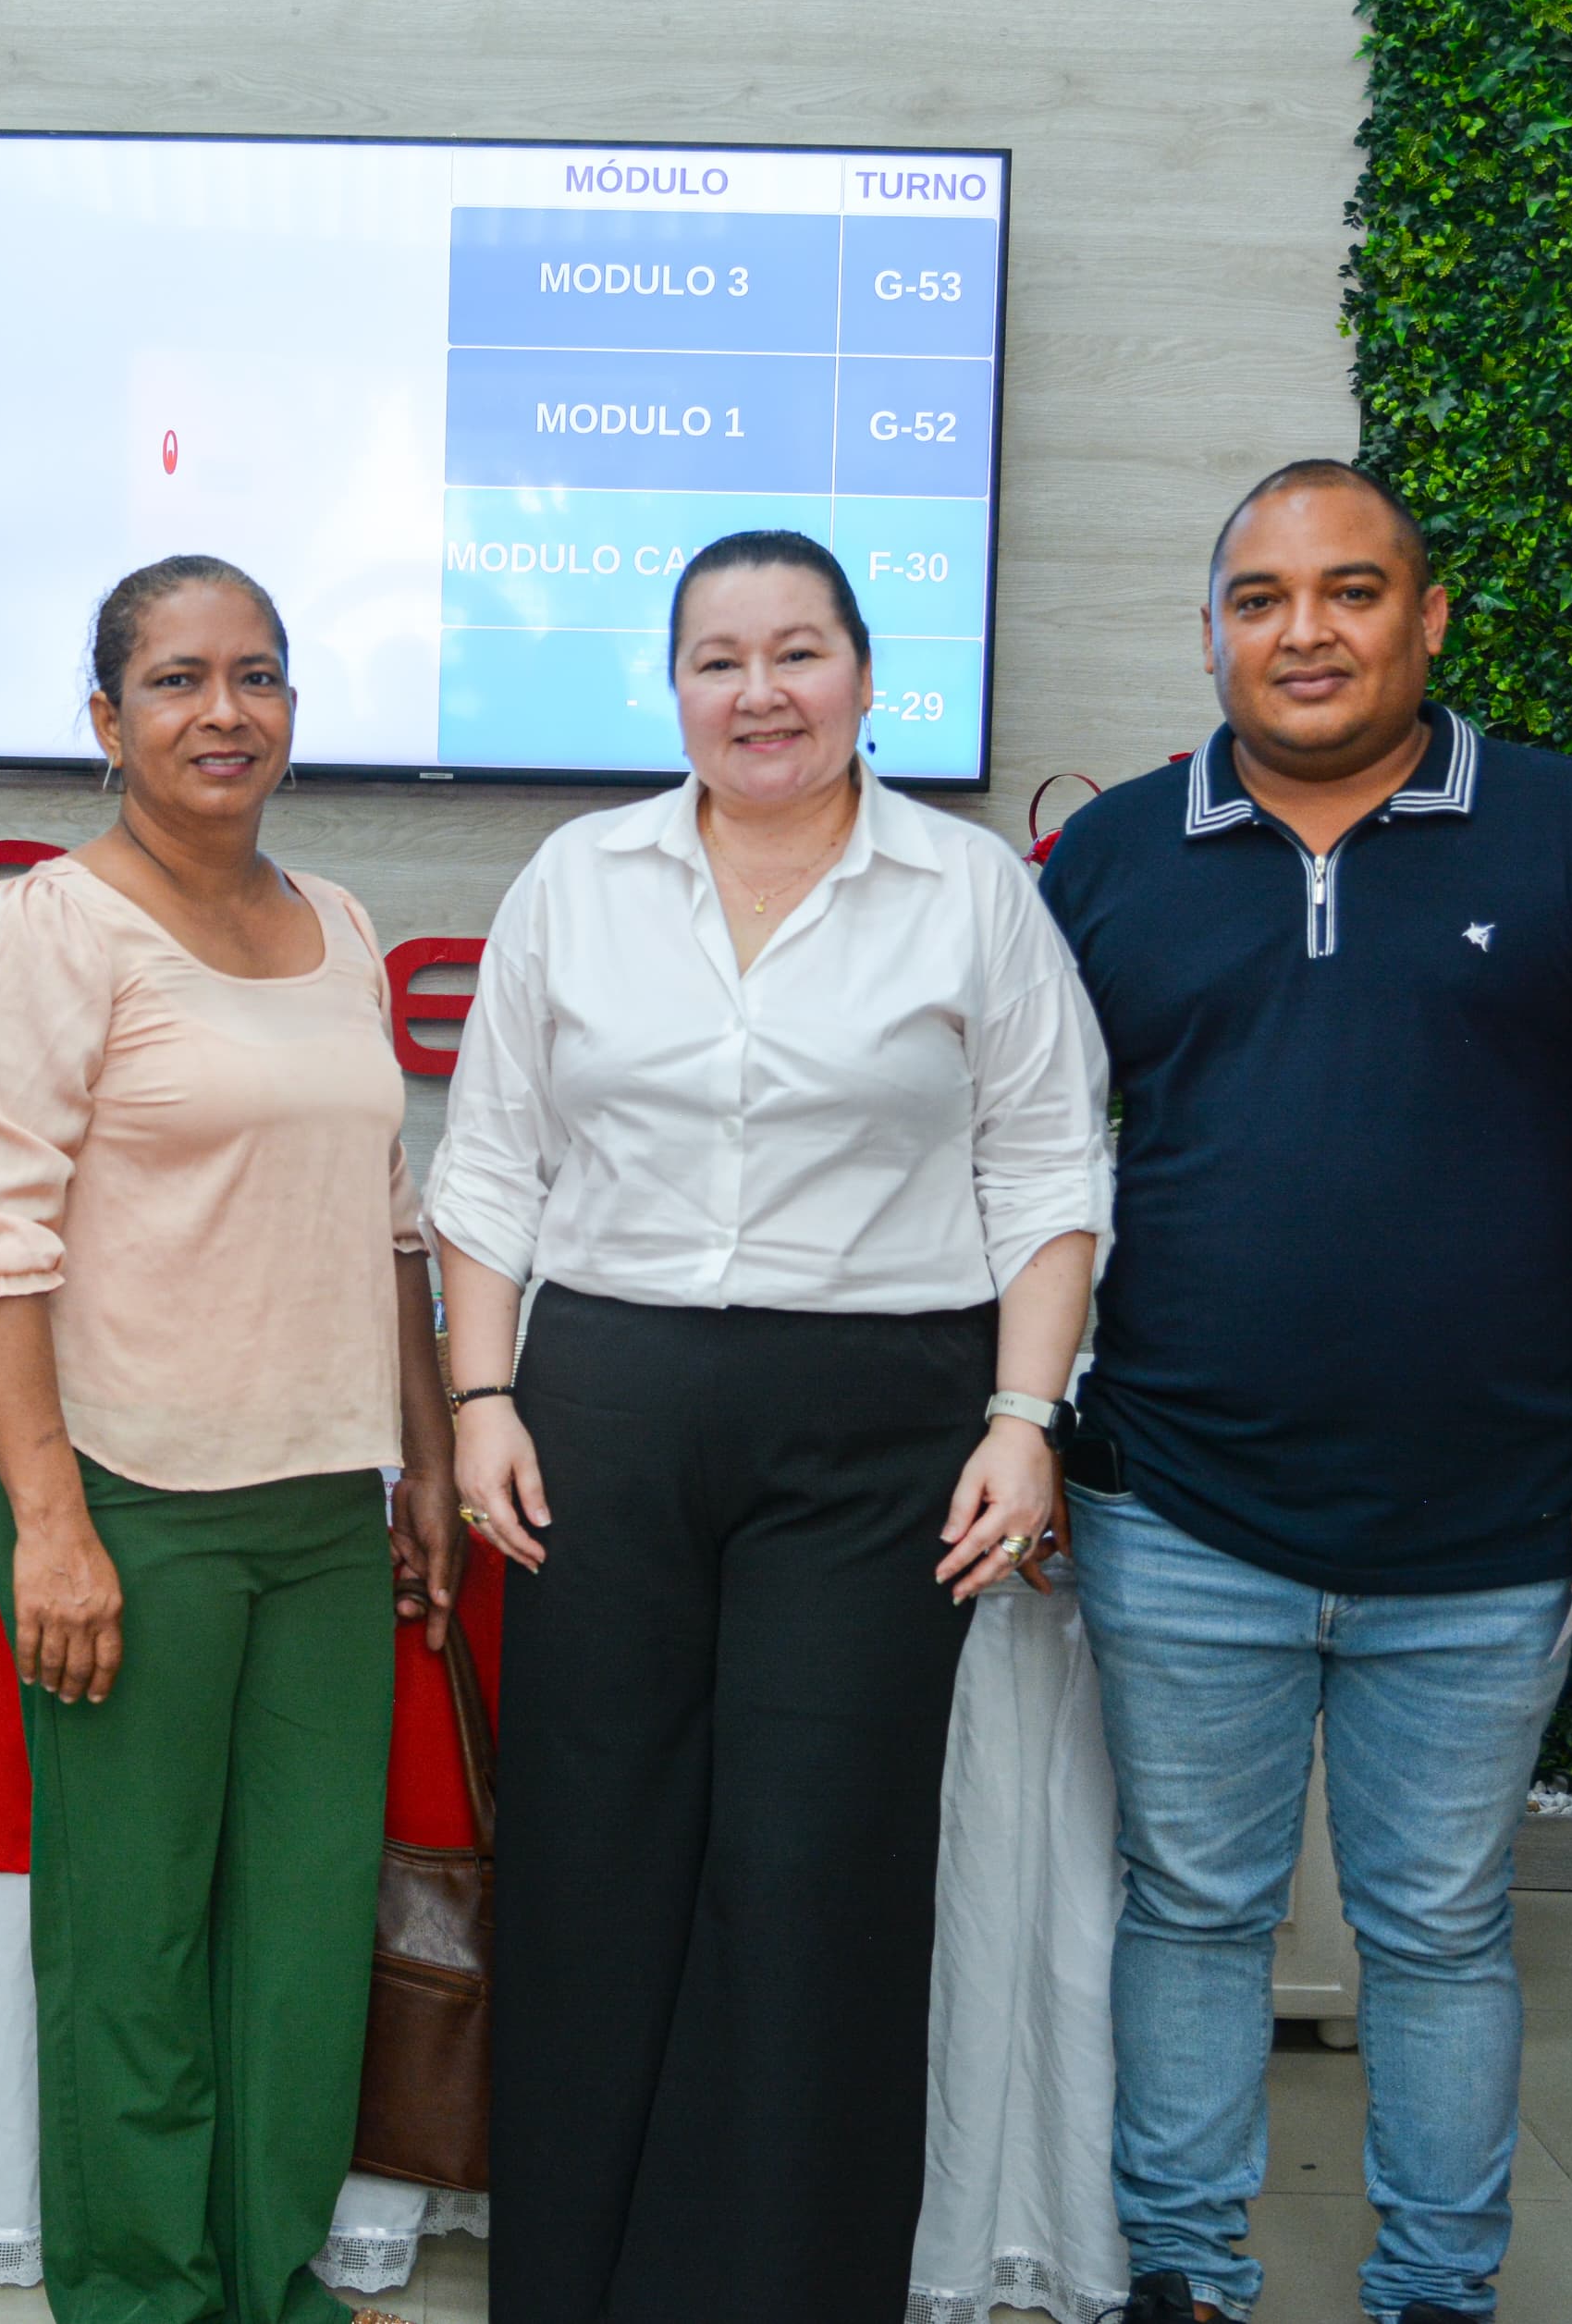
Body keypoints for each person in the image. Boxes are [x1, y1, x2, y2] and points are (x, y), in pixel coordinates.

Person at [1034, 461, 1572, 2324]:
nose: (1304, 631)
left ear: (1427, 617)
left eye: (1349, 590)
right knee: (1192, 1913)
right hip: (1176, 1506)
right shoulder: (1111, 860)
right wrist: (1019, 1435)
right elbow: (1019, 1173)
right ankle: (1181, 2271)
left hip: (1491, 1525)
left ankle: (1436, 2286)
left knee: (1438, 1927)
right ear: (1209, 636)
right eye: (1260, 598)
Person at [434, 531, 1111, 2324]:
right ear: (672, 688)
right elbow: (489, 1165)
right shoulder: (579, 879)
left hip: (879, 1432)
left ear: (867, 677)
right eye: (718, 659)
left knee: (820, 1872)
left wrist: (1024, 1416)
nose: (760, 693)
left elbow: (1049, 1167)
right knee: (594, 1855)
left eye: (797, 652)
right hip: (603, 1415)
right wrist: (481, 1397)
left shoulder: (967, 890)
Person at [0, 555, 459, 2324]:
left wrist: (425, 1458)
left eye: (258, 675)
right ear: (105, 717)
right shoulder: (48, 931)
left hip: (321, 1514)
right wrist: (52, 1521)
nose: (225, 711)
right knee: (134, 1951)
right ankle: (145, 2297)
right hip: (128, 1505)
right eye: (177, 679)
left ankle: (265, 2284)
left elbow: (387, 1221)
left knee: (298, 1949)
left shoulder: (342, 923)